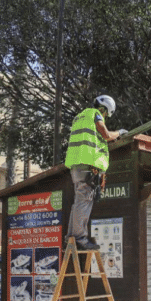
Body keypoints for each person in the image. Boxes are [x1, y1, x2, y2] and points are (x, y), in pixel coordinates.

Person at [65, 95, 128, 250]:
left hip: (76, 165)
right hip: (87, 165)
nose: (105, 116)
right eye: (106, 113)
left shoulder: (80, 117)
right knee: (85, 201)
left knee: (79, 202)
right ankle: (79, 238)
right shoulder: (95, 114)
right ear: (104, 109)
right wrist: (119, 132)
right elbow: (106, 134)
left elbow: (96, 136)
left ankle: (71, 237)